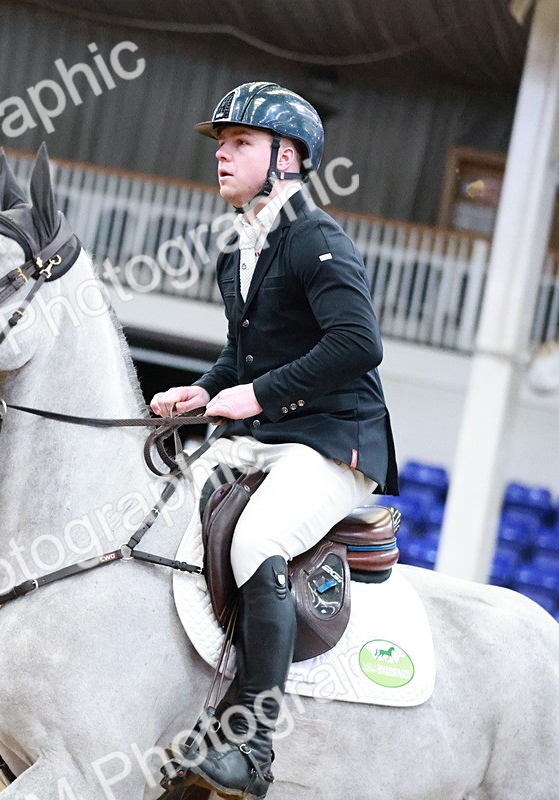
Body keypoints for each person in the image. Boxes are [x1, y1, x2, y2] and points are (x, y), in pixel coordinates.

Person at [150, 82, 398, 799]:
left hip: (334, 443)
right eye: (220, 145)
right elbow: (244, 357)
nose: (221, 156)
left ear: (287, 157)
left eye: (240, 144)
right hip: (269, 436)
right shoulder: (238, 255)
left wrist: (253, 396)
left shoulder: (316, 239)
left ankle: (253, 742)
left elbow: (357, 344)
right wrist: (204, 389)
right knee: (164, 508)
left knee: (258, 540)